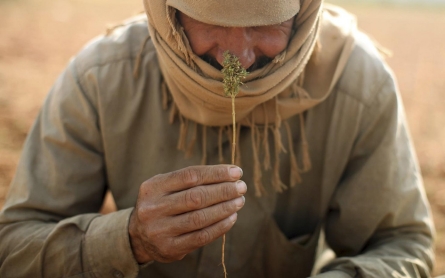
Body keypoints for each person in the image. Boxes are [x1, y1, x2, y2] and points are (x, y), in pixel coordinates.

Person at [0, 0, 435, 277]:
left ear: (303, 11)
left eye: (266, 25)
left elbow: (403, 245)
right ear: (168, 11)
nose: (240, 57)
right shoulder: (101, 79)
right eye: (212, 21)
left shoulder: (358, 85)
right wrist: (129, 238)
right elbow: (13, 249)